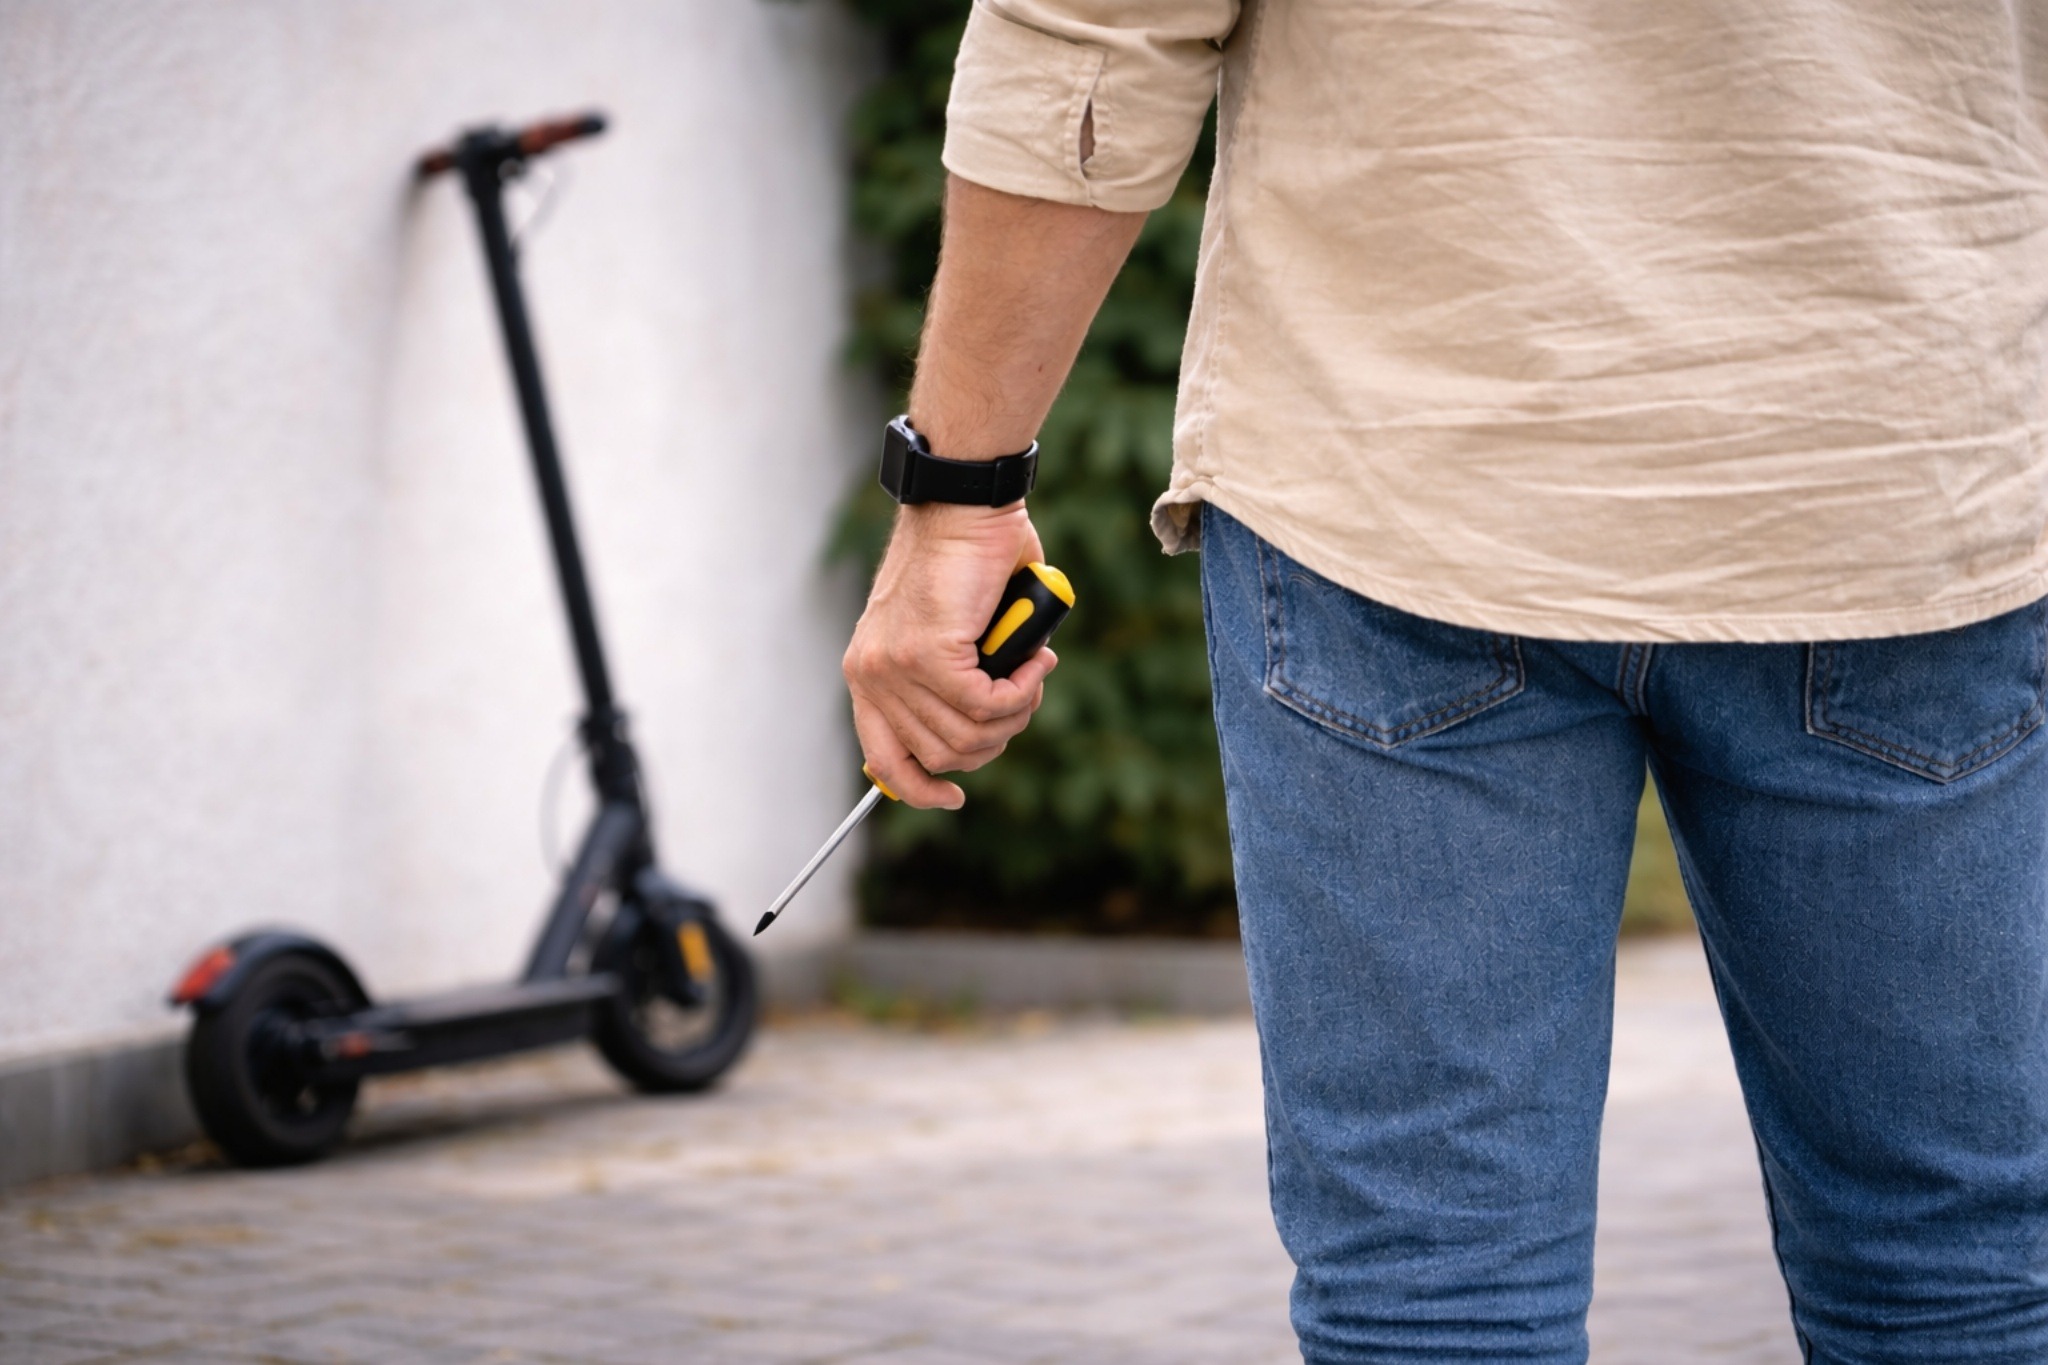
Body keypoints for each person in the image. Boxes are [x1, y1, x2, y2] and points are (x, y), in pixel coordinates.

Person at [839, 2, 2048, 1359]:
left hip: (1401, 477)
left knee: (1437, 1285)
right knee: (1955, 1266)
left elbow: (1094, 26)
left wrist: (958, 495)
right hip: (1896, 469)